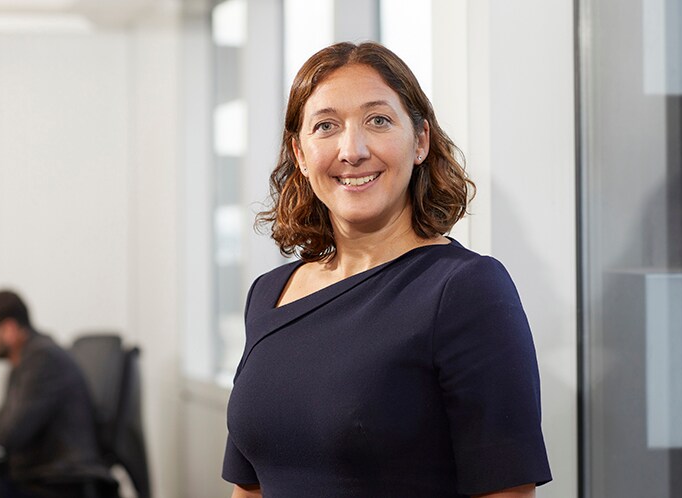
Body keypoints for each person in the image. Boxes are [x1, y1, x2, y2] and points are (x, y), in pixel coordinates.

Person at [222, 41, 552, 497]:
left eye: (378, 120)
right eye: (326, 126)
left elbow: (506, 493)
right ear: (299, 154)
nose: (352, 150)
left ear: (420, 141)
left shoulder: (465, 289)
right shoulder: (269, 294)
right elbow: (250, 488)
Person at [0, 290, 116, 498]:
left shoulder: (43, 360)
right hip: (32, 481)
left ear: (9, 329)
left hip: (53, 486)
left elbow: (10, 433)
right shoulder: (24, 360)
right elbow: (0, 423)